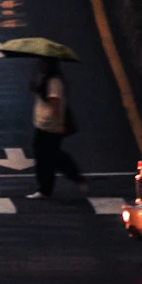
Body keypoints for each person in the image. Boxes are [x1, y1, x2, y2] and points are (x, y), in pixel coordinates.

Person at [29, 60, 85, 199]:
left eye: (42, 62)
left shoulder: (54, 81)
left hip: (51, 126)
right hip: (43, 125)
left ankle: (74, 178)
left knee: (51, 157)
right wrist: (35, 89)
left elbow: (55, 103)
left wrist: (59, 124)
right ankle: (46, 188)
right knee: (47, 157)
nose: (39, 64)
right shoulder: (46, 79)